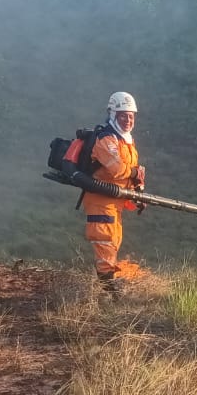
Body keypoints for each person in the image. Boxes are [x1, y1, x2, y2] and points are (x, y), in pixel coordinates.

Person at [82, 92, 145, 293]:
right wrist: (135, 172)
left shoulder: (127, 141)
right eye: (123, 115)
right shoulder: (106, 140)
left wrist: (139, 192)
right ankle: (107, 290)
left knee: (114, 242)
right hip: (100, 200)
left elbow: (132, 173)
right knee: (105, 242)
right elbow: (118, 170)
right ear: (113, 114)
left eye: (131, 116)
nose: (128, 120)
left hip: (116, 200)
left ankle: (108, 287)